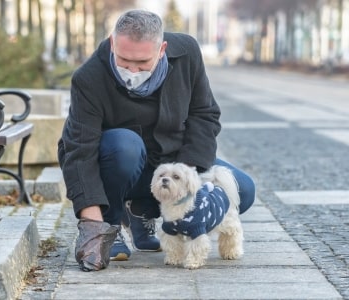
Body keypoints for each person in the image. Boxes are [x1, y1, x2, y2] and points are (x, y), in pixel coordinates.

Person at [58, 9, 255, 272]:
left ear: (161, 49)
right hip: (119, 162)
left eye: (142, 63)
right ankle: (113, 220)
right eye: (124, 60)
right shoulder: (89, 77)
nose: (132, 70)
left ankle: (142, 211)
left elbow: (204, 114)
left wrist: (186, 178)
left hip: (171, 160)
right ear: (112, 42)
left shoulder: (186, 53)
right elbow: (79, 150)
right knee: (125, 146)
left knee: (241, 189)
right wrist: (93, 224)